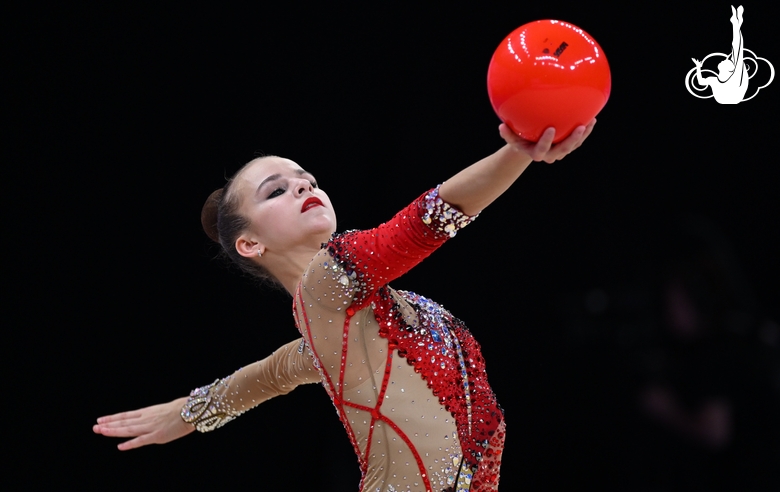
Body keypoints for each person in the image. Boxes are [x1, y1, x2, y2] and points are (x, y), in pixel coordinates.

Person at [93, 121, 596, 491]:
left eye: (307, 179)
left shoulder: (334, 332)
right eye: (276, 191)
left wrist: (189, 411)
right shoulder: (326, 284)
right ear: (250, 244)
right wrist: (519, 151)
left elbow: (267, 376)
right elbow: (427, 221)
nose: (303, 186)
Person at [692, 5, 748, 104]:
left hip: (732, 96)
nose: (724, 59)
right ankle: (736, 24)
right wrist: (698, 67)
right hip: (731, 97)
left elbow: (738, 50)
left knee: (737, 51)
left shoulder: (726, 78)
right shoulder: (716, 79)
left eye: (727, 61)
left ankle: (736, 24)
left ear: (729, 69)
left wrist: (698, 68)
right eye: (728, 60)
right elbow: (700, 82)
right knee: (737, 52)